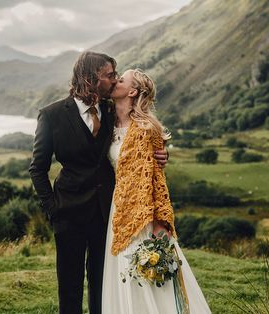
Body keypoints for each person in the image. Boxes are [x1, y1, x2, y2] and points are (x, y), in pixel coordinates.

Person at [29, 52, 169, 314]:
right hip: (67, 214)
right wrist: (52, 209)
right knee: (69, 287)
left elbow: (134, 138)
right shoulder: (51, 116)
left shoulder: (111, 110)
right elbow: (38, 169)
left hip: (106, 214)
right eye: (109, 75)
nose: (115, 80)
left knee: (103, 286)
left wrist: (161, 152)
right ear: (91, 79)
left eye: (117, 76)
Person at [102, 69, 211, 313]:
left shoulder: (147, 129)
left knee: (148, 273)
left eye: (121, 80)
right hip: (117, 209)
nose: (115, 82)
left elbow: (157, 181)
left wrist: (161, 221)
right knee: (122, 272)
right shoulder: (106, 120)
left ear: (132, 91)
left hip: (144, 215)